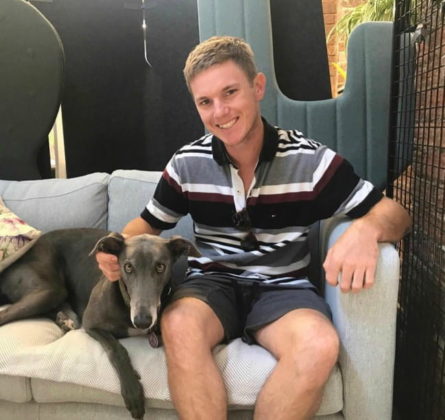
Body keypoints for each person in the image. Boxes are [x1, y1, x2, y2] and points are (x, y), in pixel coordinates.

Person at [97, 36, 411, 420]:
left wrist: (365, 230)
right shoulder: (187, 163)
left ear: (257, 86)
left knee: (319, 345)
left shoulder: (310, 160)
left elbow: (396, 215)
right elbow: (147, 224)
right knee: (176, 324)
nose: (220, 111)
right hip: (211, 285)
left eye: (230, 92)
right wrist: (117, 250)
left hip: (283, 288)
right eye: (205, 102)